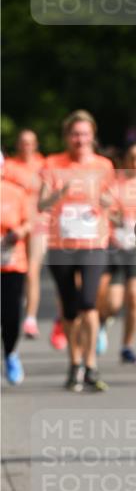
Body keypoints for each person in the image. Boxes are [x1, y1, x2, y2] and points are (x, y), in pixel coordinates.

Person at [38, 110, 115, 391]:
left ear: (92, 136)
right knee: (70, 309)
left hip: (94, 244)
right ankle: (74, 363)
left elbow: (112, 201)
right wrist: (60, 193)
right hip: (61, 245)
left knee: (89, 303)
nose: (80, 139)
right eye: (75, 134)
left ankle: (91, 364)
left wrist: (106, 201)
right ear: (67, 137)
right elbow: (41, 204)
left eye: (84, 134)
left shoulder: (104, 165)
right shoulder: (52, 163)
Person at [96, 143, 136, 366]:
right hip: (116, 249)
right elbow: (103, 209)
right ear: (125, 159)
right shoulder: (113, 184)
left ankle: (127, 347)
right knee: (113, 303)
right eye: (132, 158)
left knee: (135, 297)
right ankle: (102, 320)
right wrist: (114, 215)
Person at [3, 130, 51, 342]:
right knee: (15, 270)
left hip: (38, 222)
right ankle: (13, 305)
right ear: (17, 145)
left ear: (36, 144)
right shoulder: (9, 166)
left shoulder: (44, 164)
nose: (26, 146)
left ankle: (30, 318)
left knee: (32, 271)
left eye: (30, 143)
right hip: (17, 223)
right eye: (23, 143)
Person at [1, 160, 31, 384]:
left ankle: (10, 353)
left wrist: (19, 231)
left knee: (11, 316)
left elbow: (29, 222)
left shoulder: (16, 193)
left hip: (12, 263)